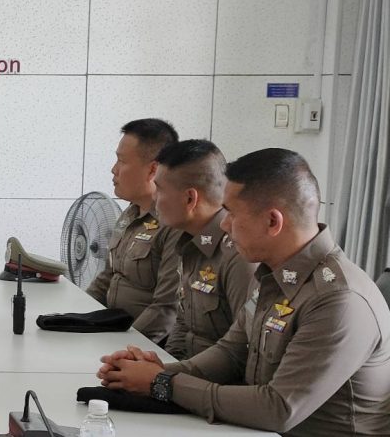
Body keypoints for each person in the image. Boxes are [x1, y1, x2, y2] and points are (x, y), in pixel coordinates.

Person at [97, 149, 390, 436]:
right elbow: (231, 352)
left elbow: (278, 409)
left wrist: (163, 384)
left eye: (231, 213)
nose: (224, 224)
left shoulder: (338, 299)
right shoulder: (272, 274)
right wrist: (156, 372)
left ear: (273, 222)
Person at [153, 139, 256, 360]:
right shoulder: (190, 242)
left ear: (190, 198)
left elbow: (244, 349)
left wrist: (169, 376)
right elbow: (184, 323)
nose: (154, 198)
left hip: (214, 379)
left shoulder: (238, 254)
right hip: (187, 372)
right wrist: (165, 368)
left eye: (159, 189)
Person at [85, 118, 181, 344]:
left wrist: (124, 347)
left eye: (122, 161)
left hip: (143, 345)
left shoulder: (174, 225)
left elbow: (165, 308)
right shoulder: (130, 214)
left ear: (153, 170)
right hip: (111, 331)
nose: (114, 169)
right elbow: (106, 278)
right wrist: (76, 318)